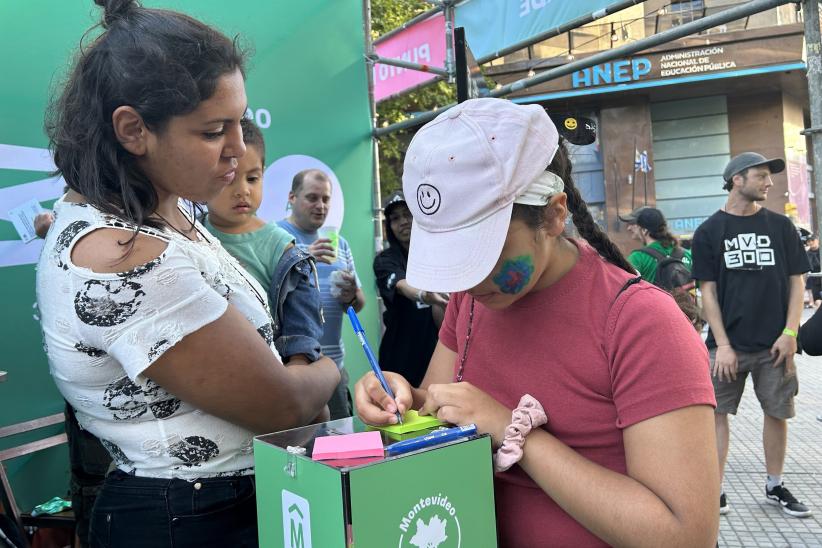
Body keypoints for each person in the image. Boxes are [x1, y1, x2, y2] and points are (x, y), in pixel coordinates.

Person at [38, 2, 339, 546]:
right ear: (133, 130)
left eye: (240, 124)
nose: (237, 149)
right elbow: (285, 407)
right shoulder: (126, 258)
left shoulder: (145, 215)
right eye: (212, 131)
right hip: (192, 517)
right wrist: (326, 371)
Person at [355, 98, 719, 547]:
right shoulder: (475, 301)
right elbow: (442, 410)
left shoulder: (640, 322)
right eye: (451, 258)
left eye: (482, 252)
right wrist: (399, 399)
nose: (466, 282)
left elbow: (685, 535)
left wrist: (516, 433)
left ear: (552, 213)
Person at [691, 151, 811, 518]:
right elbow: (706, 291)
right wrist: (723, 344)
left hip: (776, 344)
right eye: (761, 176)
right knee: (716, 414)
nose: (770, 183)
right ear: (737, 180)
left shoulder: (781, 228)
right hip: (727, 347)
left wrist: (791, 332)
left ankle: (775, 485)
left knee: (777, 412)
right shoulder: (709, 232)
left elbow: (797, 282)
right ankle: (716, 489)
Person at [203, 117, 323, 365]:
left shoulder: (282, 248)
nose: (243, 190)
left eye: (252, 178)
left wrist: (298, 371)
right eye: (228, 178)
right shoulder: (189, 232)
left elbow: (301, 326)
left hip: (266, 370)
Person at [278, 169, 365, 420]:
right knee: (296, 452)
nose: (321, 206)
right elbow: (265, 298)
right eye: (312, 197)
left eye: (326, 199)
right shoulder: (275, 237)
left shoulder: (341, 244)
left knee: (340, 450)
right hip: (291, 371)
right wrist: (303, 259)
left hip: (334, 369)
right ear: (292, 197)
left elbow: (357, 304)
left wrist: (350, 295)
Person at [373, 191, 447, 388]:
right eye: (395, 218)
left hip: (439, 352)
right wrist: (425, 294)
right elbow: (401, 285)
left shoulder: (439, 254)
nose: (403, 222)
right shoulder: (385, 260)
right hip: (400, 357)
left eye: (408, 214)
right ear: (389, 225)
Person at [620, 206, 692, 286]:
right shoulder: (687, 255)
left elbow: (623, 287)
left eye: (633, 223)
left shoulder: (638, 258)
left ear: (644, 230)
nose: (629, 228)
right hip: (683, 298)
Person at [805, 234, 821, 309]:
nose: (811, 242)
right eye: (809, 241)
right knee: (817, 300)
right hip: (814, 279)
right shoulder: (807, 254)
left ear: (817, 240)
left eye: (812, 240)